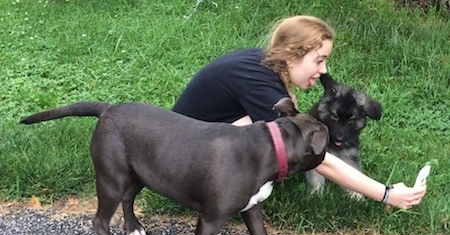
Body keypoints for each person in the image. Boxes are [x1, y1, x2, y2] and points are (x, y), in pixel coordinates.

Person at [172, 15, 426, 209]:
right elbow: (317, 157)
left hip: (190, 151)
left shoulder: (260, 64)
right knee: (285, 137)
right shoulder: (259, 85)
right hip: (182, 170)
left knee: (278, 131)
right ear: (294, 54)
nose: (324, 70)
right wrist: (386, 194)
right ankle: (225, 193)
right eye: (319, 59)